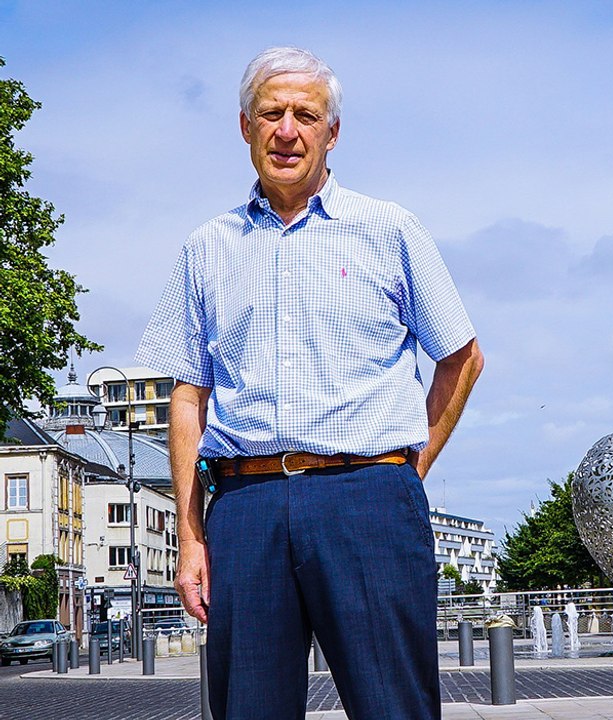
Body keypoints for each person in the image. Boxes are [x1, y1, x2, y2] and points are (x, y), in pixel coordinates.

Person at [137, 46, 483, 720]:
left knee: (394, 708)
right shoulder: (206, 248)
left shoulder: (389, 229)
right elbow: (188, 396)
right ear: (245, 127)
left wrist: (412, 469)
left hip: (369, 499)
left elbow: (463, 357)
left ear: (332, 132)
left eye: (305, 114)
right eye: (271, 114)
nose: (287, 131)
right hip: (244, 505)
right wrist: (192, 537)